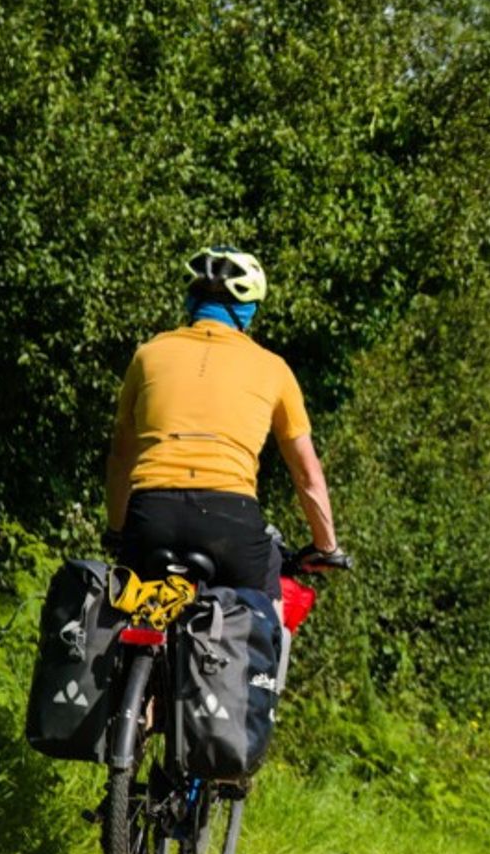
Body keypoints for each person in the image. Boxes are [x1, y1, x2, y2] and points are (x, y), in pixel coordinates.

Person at [105, 247, 349, 598]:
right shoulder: (273, 368)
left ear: (191, 301)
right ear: (249, 312)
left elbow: (121, 456)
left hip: (151, 514)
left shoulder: (148, 355)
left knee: (124, 607)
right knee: (265, 613)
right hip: (229, 519)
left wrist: (117, 528)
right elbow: (307, 473)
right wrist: (326, 547)